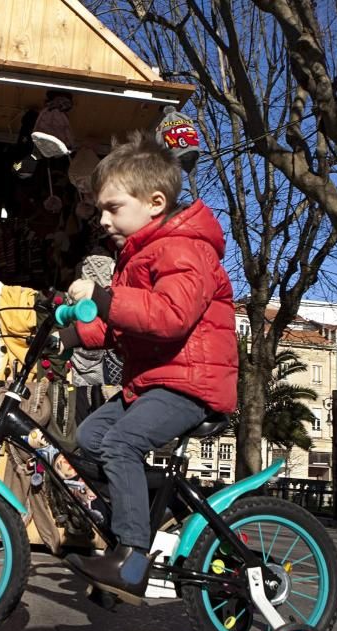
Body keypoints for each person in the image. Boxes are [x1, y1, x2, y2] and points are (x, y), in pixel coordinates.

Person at [57, 130, 238, 603]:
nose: (102, 219)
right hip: (156, 383)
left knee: (119, 442)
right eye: (99, 209)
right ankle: (160, 509)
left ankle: (133, 555)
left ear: (154, 202)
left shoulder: (186, 248)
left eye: (113, 207)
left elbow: (169, 316)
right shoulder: (136, 257)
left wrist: (102, 297)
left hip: (192, 383)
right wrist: (76, 335)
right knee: (91, 440)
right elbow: (125, 328)